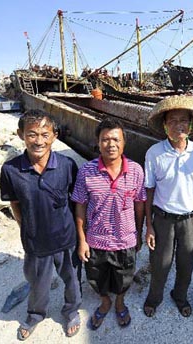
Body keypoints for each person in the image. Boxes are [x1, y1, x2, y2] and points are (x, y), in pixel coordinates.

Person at [0, 109, 82, 340]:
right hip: (36, 241)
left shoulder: (67, 165)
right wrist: (26, 227)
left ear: (55, 135)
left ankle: (71, 310)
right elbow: (14, 203)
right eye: (32, 134)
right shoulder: (11, 170)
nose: (39, 141)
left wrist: (79, 234)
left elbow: (76, 202)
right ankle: (35, 315)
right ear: (20, 135)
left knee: (73, 280)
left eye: (45, 134)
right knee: (37, 283)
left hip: (66, 238)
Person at [72, 118, 146, 330]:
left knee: (124, 277)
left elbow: (140, 204)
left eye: (116, 139)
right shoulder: (87, 171)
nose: (110, 144)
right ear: (98, 142)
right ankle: (105, 302)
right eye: (105, 139)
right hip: (96, 239)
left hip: (125, 239)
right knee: (96, 277)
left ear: (123, 143)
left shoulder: (136, 171)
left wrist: (138, 234)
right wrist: (82, 240)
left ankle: (120, 302)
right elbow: (80, 206)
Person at [143, 95, 193, 318]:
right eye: (172, 121)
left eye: (183, 120)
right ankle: (154, 297)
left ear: (190, 124)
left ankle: (179, 296)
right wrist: (149, 226)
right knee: (160, 263)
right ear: (164, 126)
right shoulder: (154, 153)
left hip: (191, 218)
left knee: (186, 262)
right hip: (163, 218)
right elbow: (149, 189)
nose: (178, 125)